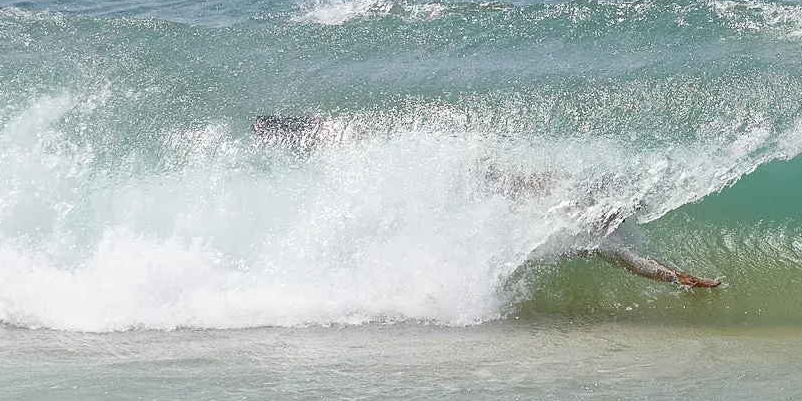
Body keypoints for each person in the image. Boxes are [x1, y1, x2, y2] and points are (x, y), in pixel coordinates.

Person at [251, 114, 721, 289]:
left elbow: (640, 265)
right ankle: (308, 131)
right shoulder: (571, 203)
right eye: (611, 209)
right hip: (479, 179)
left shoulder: (600, 240)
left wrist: (684, 279)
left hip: (476, 196)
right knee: (400, 147)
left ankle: (309, 133)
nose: (614, 217)